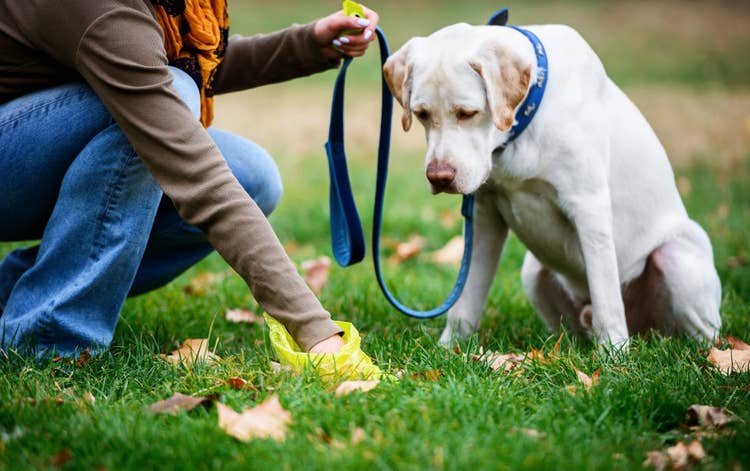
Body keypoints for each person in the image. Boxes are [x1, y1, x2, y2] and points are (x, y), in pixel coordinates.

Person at [0, 1, 379, 358]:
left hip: (28, 143)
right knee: (176, 96)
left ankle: (16, 290)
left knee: (252, 175)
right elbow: (200, 178)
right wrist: (315, 331)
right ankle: (48, 338)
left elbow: (179, 61)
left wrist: (310, 44)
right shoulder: (105, 12)